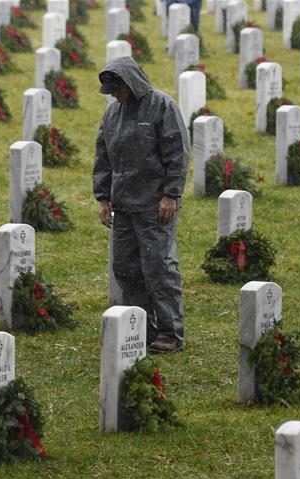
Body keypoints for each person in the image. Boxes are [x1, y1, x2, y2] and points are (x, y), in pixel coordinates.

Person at [93, 57, 190, 354]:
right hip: (124, 205)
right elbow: (103, 156)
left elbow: (177, 152)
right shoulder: (112, 114)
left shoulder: (162, 106)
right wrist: (103, 198)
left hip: (154, 205)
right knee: (125, 268)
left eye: (117, 89)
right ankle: (142, 328)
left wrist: (171, 194)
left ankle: (170, 332)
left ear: (130, 83)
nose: (114, 95)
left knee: (159, 268)